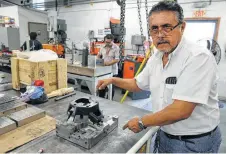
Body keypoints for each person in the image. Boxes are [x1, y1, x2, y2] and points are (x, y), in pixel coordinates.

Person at [97, 1, 222, 153]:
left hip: (193, 142)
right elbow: (137, 84)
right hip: (164, 133)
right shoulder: (157, 56)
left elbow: (181, 110)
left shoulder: (198, 58)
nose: (160, 35)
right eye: (154, 29)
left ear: (182, 27)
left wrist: (143, 122)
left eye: (167, 27)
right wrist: (112, 80)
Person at [97, 34, 119, 99]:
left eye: (108, 42)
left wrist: (108, 64)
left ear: (112, 41)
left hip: (112, 70)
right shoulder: (102, 46)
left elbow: (117, 59)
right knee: (102, 85)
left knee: (111, 87)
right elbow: (99, 55)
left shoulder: (116, 48)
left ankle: (110, 100)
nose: (106, 43)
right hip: (103, 70)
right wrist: (98, 60)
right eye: (106, 42)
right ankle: (101, 99)